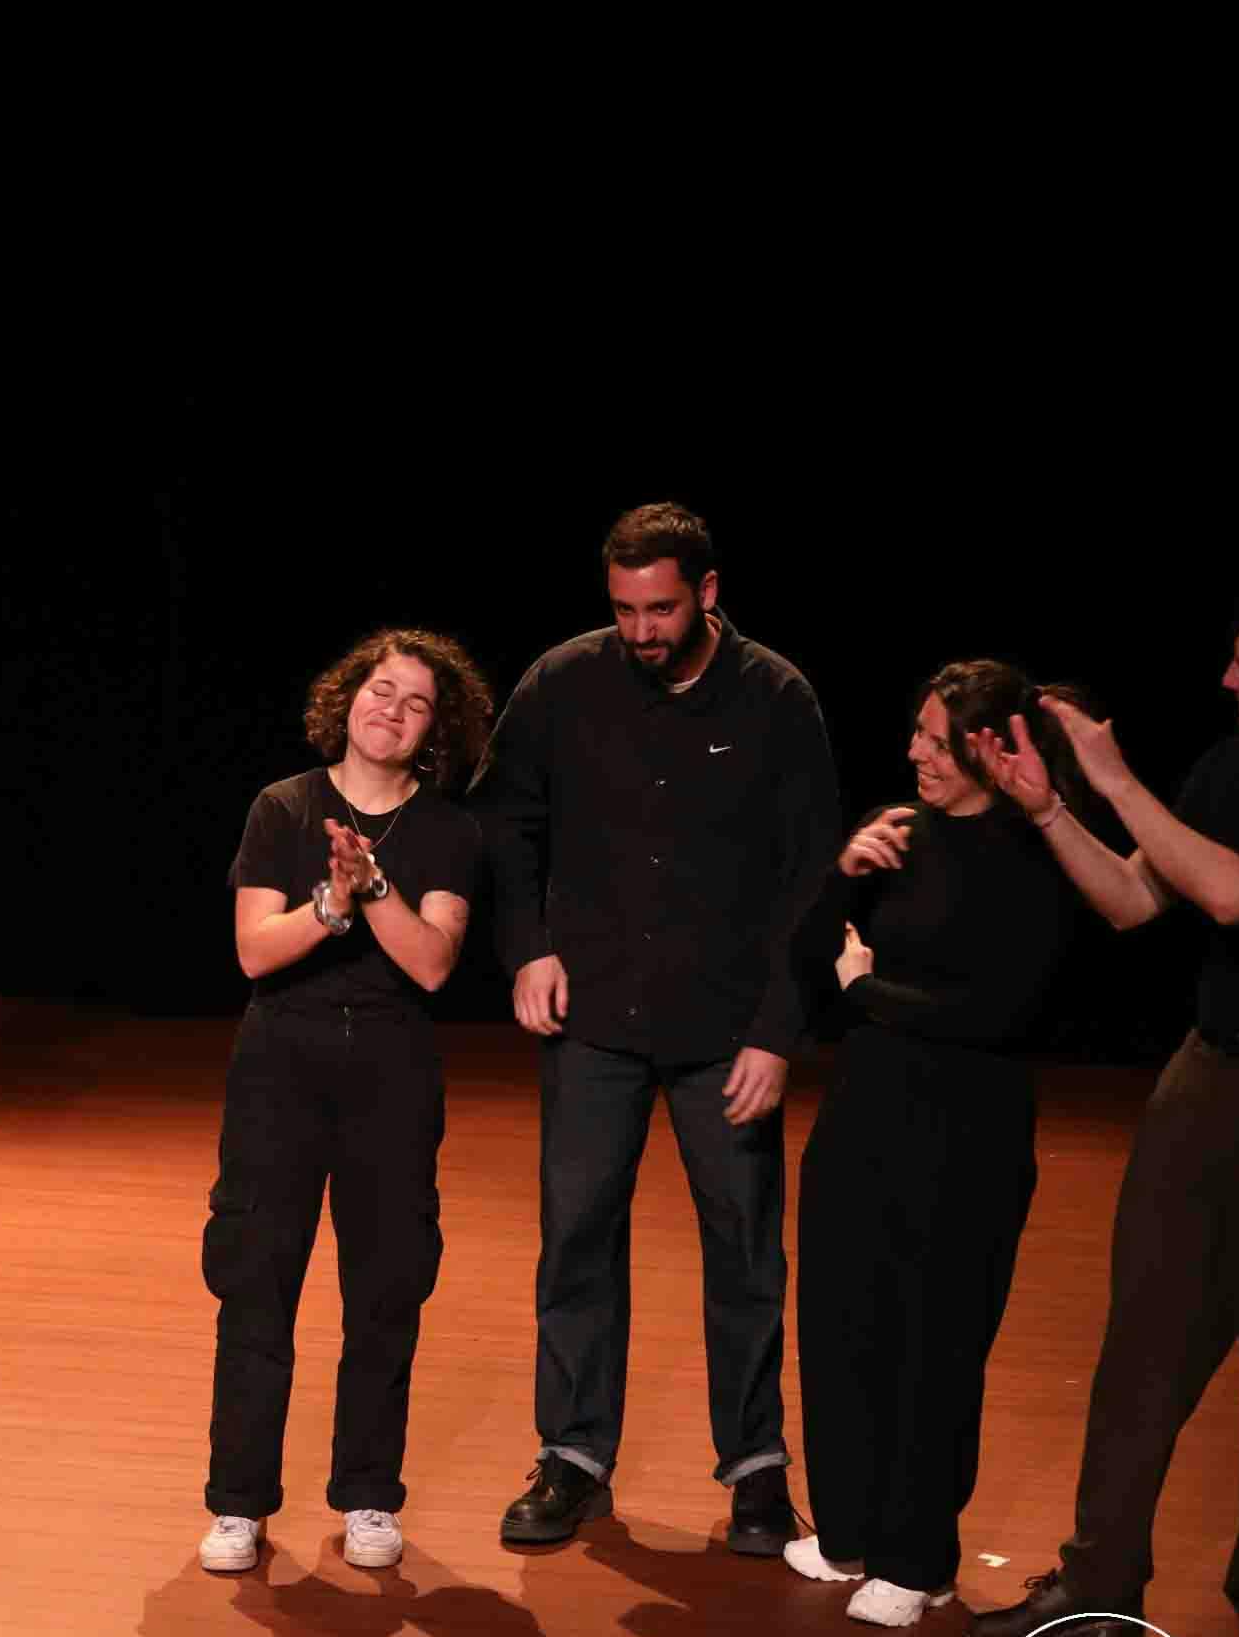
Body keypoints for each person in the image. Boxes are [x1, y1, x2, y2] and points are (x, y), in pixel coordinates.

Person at [474, 502, 840, 1552]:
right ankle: (575, 1454)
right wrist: (528, 945)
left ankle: (759, 1470)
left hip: (726, 1026)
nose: (641, 629)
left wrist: (777, 1027)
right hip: (592, 1014)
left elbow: (807, 872)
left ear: (708, 593)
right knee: (578, 1231)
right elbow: (507, 818)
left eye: (662, 607)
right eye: (625, 608)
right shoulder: (564, 679)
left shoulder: (775, 696)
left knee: (743, 1247)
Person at [963, 576, 1239, 1637]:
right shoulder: (1231, 763)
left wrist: (1111, 775)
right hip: (1209, 1077)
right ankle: (1100, 1587)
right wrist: (1055, 807)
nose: (1230, 680)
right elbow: (1141, 899)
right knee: (1145, 1339)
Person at [787, 664, 1081, 1627]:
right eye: (915, 732)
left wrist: (863, 986)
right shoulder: (900, 833)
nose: (913, 751)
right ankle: (850, 1535)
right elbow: (803, 956)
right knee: (842, 1318)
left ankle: (917, 1562)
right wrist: (843, 873)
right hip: (868, 1109)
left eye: (932, 738)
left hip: (969, 1129)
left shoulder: (1029, 849)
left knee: (934, 1339)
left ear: (989, 750)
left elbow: (1001, 1010)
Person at [199, 628, 491, 1577]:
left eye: (414, 703)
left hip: (391, 1077)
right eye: (380, 690)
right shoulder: (283, 807)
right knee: (255, 1285)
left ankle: (369, 1494)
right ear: (347, 699)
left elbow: (433, 962)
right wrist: (328, 903)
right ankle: (239, 1504)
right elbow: (253, 950)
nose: (391, 710)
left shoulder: (449, 830)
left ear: (432, 732)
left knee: (386, 1291)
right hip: (280, 1067)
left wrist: (371, 888)